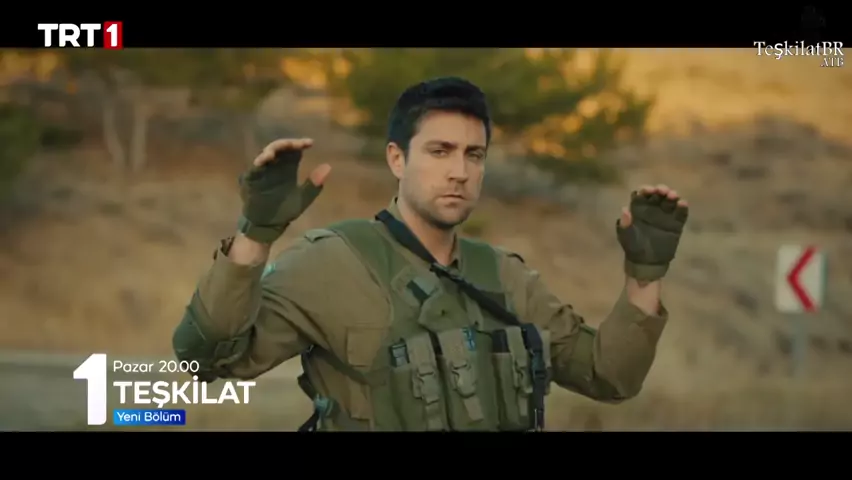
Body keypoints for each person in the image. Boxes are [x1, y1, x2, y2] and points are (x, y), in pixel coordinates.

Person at [172, 76, 689, 432]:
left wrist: (644, 276)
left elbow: (610, 375)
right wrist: (255, 235)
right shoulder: (331, 264)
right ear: (397, 159)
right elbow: (206, 359)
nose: (459, 172)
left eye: (473, 155)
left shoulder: (504, 277)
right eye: (439, 151)